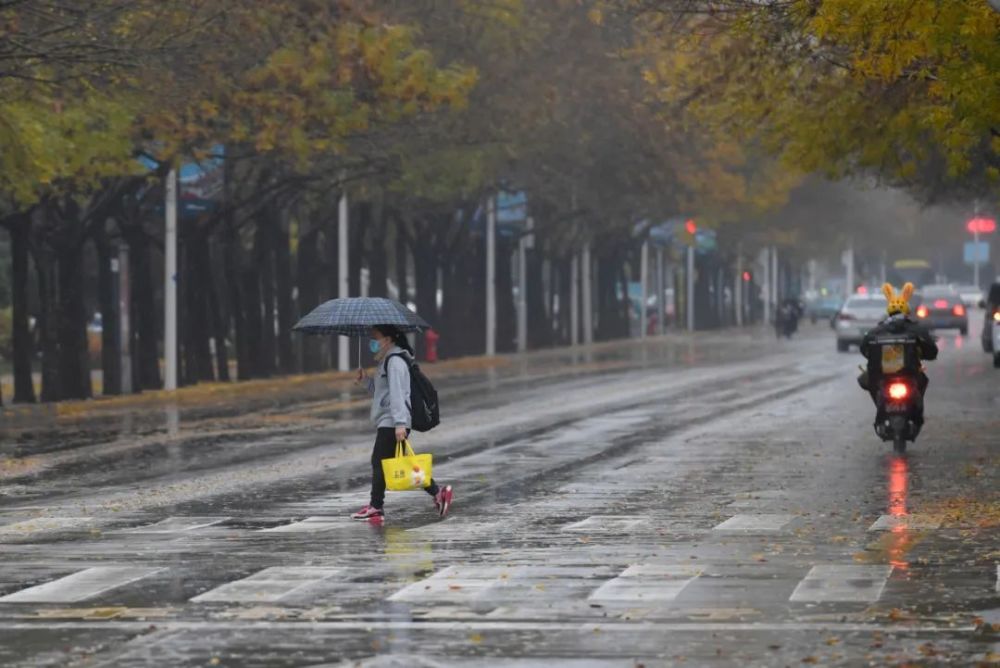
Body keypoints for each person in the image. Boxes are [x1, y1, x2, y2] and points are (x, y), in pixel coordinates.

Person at [351, 324, 453, 523]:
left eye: (376, 337)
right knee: (401, 463)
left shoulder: (395, 361)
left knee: (378, 461)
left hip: (393, 421)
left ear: (388, 339)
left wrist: (399, 424)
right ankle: (437, 492)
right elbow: (383, 394)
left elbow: (399, 394)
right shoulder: (387, 361)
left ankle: (376, 507)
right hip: (390, 419)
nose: (373, 341)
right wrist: (365, 381)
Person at [858, 283, 938, 421]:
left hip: (884, 376)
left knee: (867, 379)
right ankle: (916, 415)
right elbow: (931, 350)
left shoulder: (877, 330)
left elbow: (864, 348)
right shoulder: (916, 329)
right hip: (907, 374)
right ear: (907, 311)